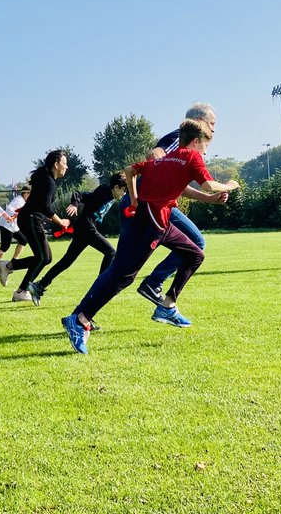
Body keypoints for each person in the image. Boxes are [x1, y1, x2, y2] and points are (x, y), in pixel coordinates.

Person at [62, 119, 238, 353]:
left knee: (195, 254)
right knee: (124, 275)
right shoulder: (191, 157)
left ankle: (167, 304)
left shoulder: (167, 158)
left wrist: (134, 200)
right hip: (152, 223)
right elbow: (208, 185)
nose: (206, 150)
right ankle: (80, 320)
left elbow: (130, 171)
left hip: (153, 218)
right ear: (196, 141)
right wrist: (230, 185)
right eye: (206, 145)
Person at [134, 103, 227, 311]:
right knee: (196, 243)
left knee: (124, 268)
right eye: (212, 124)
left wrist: (209, 199)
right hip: (154, 204)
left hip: (154, 203)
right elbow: (154, 154)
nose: (213, 130)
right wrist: (162, 175)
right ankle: (154, 284)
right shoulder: (178, 137)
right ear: (199, 122)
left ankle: (82, 315)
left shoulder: (187, 149)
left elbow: (178, 184)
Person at [31, 172, 128, 303]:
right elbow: (80, 194)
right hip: (87, 228)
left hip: (84, 228)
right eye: (123, 190)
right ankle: (99, 288)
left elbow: (87, 198)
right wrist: (75, 203)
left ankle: (39, 286)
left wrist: (77, 203)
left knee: (67, 261)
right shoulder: (104, 192)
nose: (124, 194)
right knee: (110, 252)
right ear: (116, 187)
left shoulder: (108, 195)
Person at [0, 150, 73, 304]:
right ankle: (21, 289)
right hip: (31, 219)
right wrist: (61, 222)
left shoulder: (46, 179)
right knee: (44, 257)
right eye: (64, 164)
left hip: (30, 219)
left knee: (45, 258)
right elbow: (46, 207)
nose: (66, 167)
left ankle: (10, 267)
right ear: (56, 164)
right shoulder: (49, 181)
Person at [0, 183, 30, 268]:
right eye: (30, 193)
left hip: (13, 227)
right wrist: (15, 214)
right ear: (25, 193)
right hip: (6, 225)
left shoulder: (24, 202)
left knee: (23, 240)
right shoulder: (18, 200)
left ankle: (14, 260)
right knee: (5, 247)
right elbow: (9, 208)